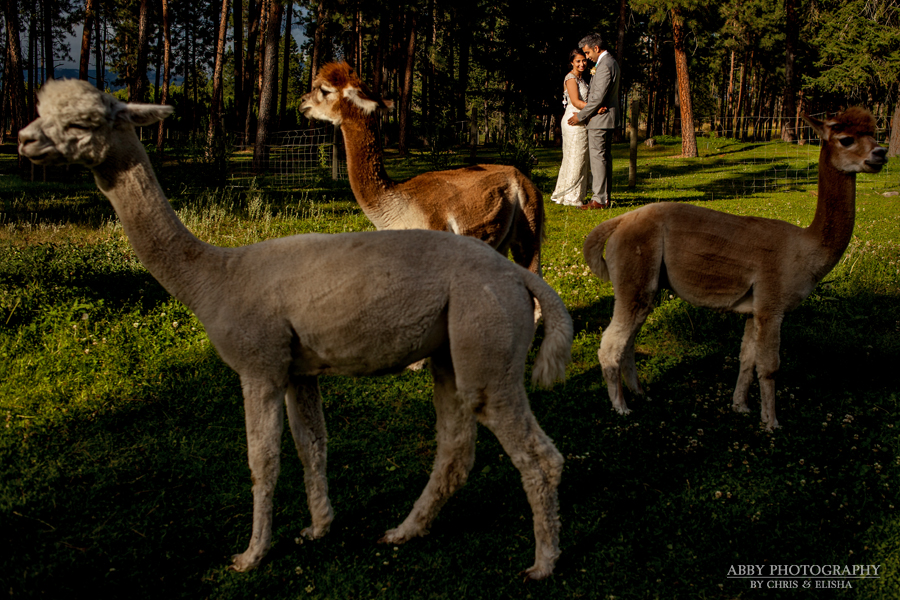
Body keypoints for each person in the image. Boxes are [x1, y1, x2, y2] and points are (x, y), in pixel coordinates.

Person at [568, 32, 620, 210]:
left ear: (596, 48)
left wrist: (580, 116)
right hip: (604, 119)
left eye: (588, 53)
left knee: (598, 159)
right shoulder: (609, 63)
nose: (587, 57)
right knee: (603, 159)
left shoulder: (605, 65)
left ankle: (599, 200)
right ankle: (604, 198)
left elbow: (597, 98)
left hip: (600, 120)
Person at [550, 49, 591, 206]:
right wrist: (595, 108)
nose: (582, 64)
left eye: (584, 60)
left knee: (580, 157)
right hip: (573, 121)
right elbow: (576, 101)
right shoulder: (571, 78)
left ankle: (574, 193)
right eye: (578, 61)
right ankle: (571, 197)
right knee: (575, 157)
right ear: (572, 63)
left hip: (581, 119)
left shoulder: (582, 79)